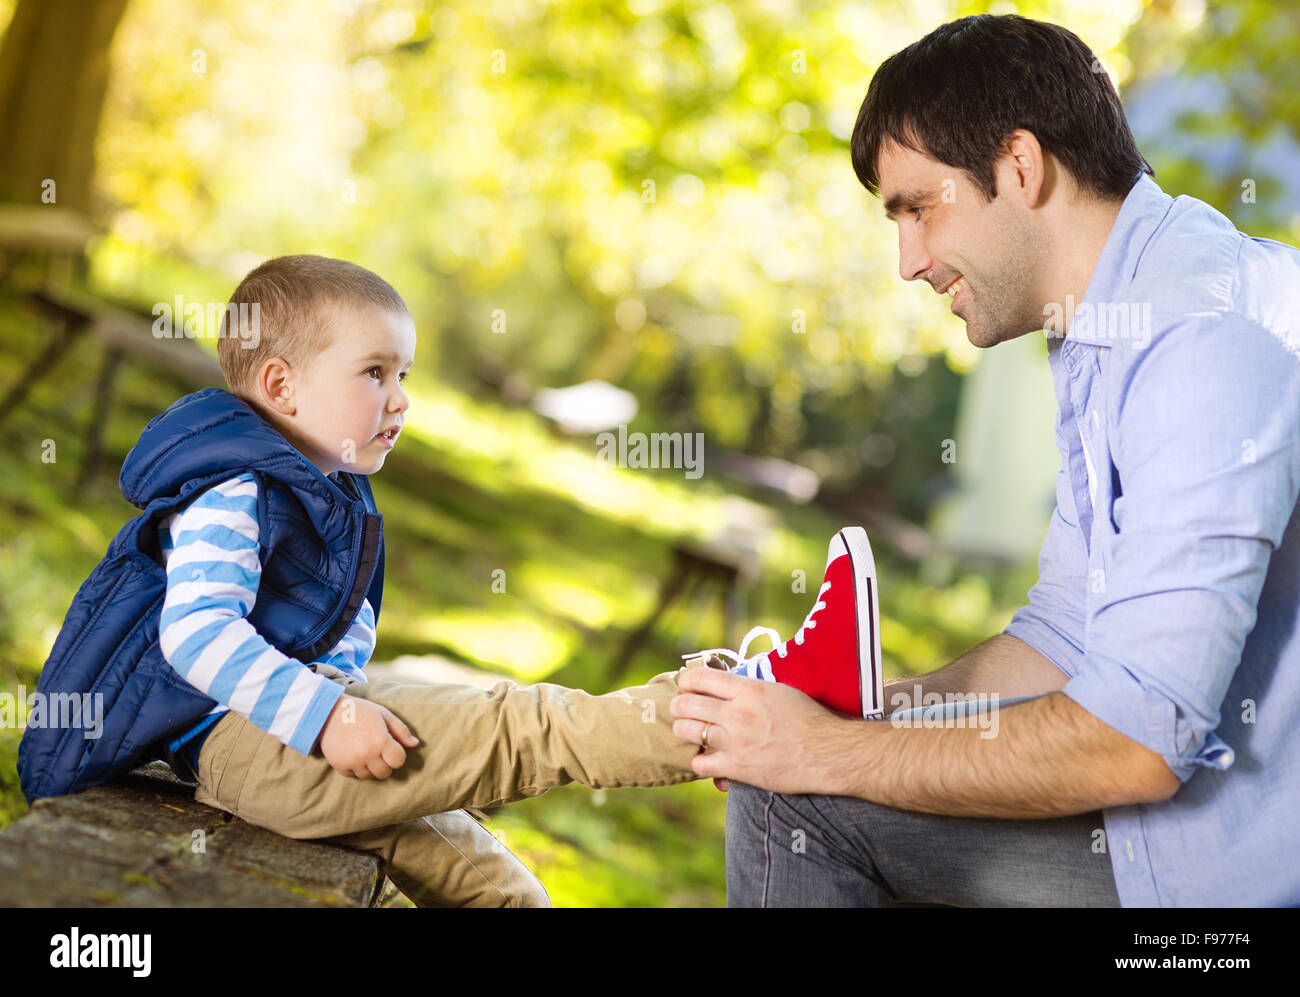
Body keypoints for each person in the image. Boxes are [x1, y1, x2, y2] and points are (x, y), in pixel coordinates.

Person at [669, 13, 1300, 907]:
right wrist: (869, 709)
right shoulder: (1111, 318)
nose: (907, 261)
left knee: (795, 794)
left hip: (1218, 883)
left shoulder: (1197, 341)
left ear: (1019, 166)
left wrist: (820, 749)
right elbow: (1066, 633)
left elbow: (1137, 738)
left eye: (919, 208)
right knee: (804, 777)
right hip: (1171, 838)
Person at [20, 254, 746, 907]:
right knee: (512, 725)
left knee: (495, 885)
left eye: (404, 376)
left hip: (288, 735)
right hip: (252, 743)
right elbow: (197, 633)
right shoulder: (235, 489)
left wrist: (341, 709)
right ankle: (724, 713)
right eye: (375, 372)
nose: (400, 399)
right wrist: (328, 718)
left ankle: (719, 712)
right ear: (282, 384)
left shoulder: (316, 486)